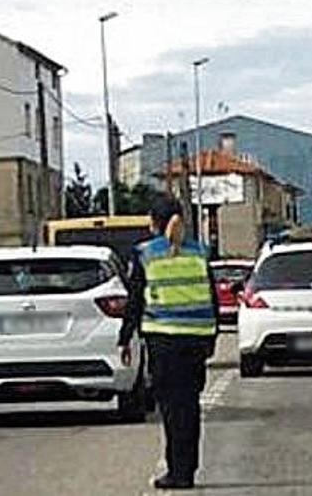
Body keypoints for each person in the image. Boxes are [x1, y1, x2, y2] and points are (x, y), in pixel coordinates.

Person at [119, 193, 218, 490]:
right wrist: (211, 336)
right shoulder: (199, 252)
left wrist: (125, 338)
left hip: (164, 341)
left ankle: (177, 472)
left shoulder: (146, 253)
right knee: (189, 406)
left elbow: (135, 301)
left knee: (172, 409)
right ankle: (187, 468)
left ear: (153, 222)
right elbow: (210, 296)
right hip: (196, 339)